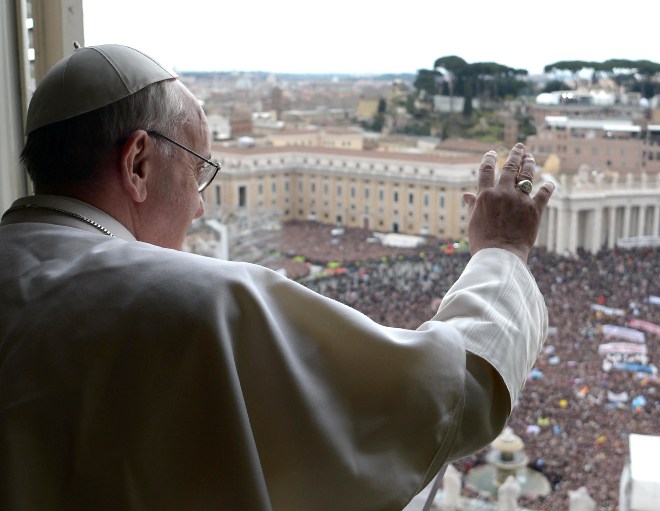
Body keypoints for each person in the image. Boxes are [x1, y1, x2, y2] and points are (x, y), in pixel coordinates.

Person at [0, 44, 554, 511]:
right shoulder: (201, 302)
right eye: (199, 171)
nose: (197, 207)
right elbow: (453, 395)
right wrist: (502, 251)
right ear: (138, 162)